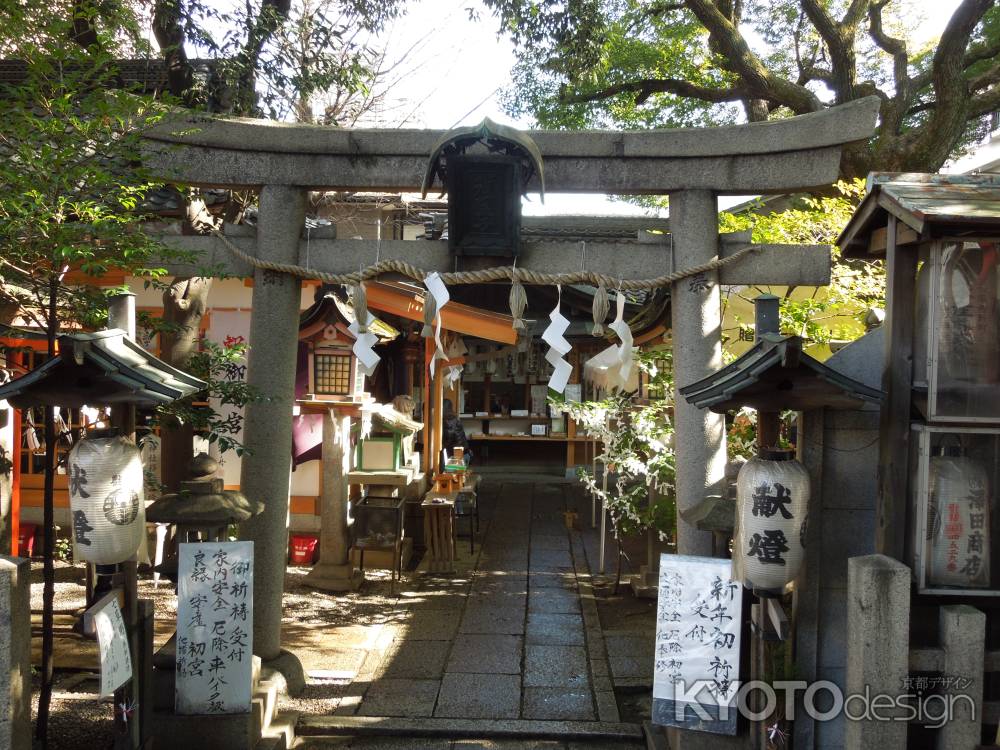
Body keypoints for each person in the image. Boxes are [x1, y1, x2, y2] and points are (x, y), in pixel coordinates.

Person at [441, 399, 470, 467]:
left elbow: (448, 439)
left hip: (457, 454)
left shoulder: (447, 421)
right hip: (463, 451)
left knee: (454, 474)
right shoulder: (453, 418)